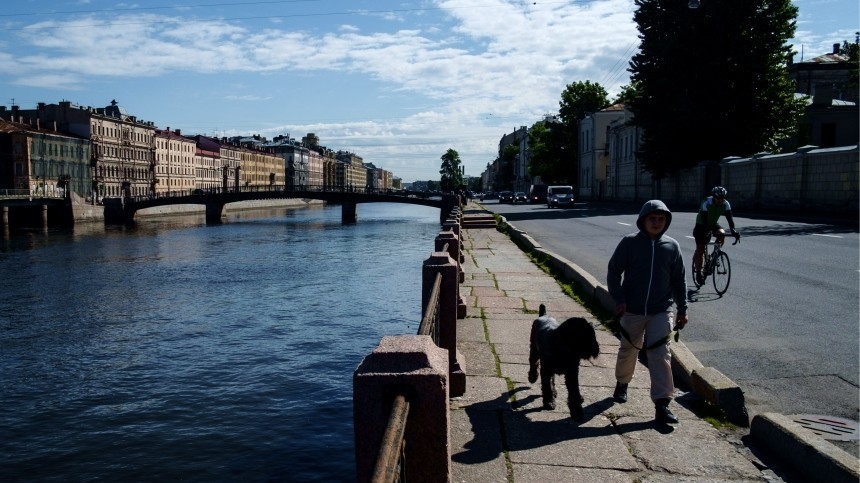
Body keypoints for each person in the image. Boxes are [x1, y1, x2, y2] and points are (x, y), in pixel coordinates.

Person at [607, 200, 688, 425]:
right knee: (628, 351)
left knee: (661, 354)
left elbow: (679, 280)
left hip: (661, 309)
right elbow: (614, 272)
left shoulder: (671, 246)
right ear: (643, 220)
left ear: (666, 221)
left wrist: (683, 309)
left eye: (661, 219)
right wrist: (620, 299)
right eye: (652, 218)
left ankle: (662, 404)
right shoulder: (629, 243)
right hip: (632, 309)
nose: (656, 222)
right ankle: (622, 383)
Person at [692, 186, 738, 284]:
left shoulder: (726, 204)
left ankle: (716, 253)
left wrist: (733, 231)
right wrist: (707, 231)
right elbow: (704, 220)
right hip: (701, 225)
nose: (720, 200)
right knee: (700, 249)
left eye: (722, 198)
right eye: (718, 198)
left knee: (722, 233)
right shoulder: (706, 203)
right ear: (714, 197)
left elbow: (730, 219)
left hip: (713, 224)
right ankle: (698, 272)